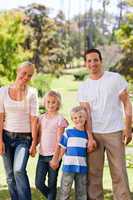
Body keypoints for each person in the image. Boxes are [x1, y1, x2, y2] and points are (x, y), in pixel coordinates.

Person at [77, 48, 132, 200]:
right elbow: (85, 115)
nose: (93, 63)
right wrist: (89, 137)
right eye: (89, 61)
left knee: (119, 172)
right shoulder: (84, 87)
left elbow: (127, 103)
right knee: (93, 174)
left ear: (101, 61)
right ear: (85, 64)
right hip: (94, 133)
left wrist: (128, 128)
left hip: (115, 132)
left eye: (95, 60)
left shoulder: (115, 79)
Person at [0, 61, 38, 200]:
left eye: (29, 75)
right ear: (17, 71)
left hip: (24, 139)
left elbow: (34, 119)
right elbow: (0, 117)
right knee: (10, 175)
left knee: (18, 170)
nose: (26, 77)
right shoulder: (3, 91)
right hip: (6, 136)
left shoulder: (32, 93)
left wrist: (34, 143)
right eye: (24, 73)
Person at [35, 90, 68, 200]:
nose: (50, 104)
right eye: (48, 102)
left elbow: (61, 140)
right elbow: (39, 136)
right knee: (39, 183)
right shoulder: (41, 118)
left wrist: (56, 158)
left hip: (54, 155)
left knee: (52, 183)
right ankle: (52, 197)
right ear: (44, 103)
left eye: (53, 102)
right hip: (42, 156)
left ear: (58, 104)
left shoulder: (60, 119)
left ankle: (51, 197)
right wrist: (33, 146)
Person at [51, 106, 89, 200]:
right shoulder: (68, 132)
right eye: (75, 118)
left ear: (85, 118)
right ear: (72, 119)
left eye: (80, 117)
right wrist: (58, 159)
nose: (78, 119)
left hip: (82, 168)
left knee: (82, 192)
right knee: (64, 190)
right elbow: (63, 148)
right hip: (68, 167)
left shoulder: (87, 135)